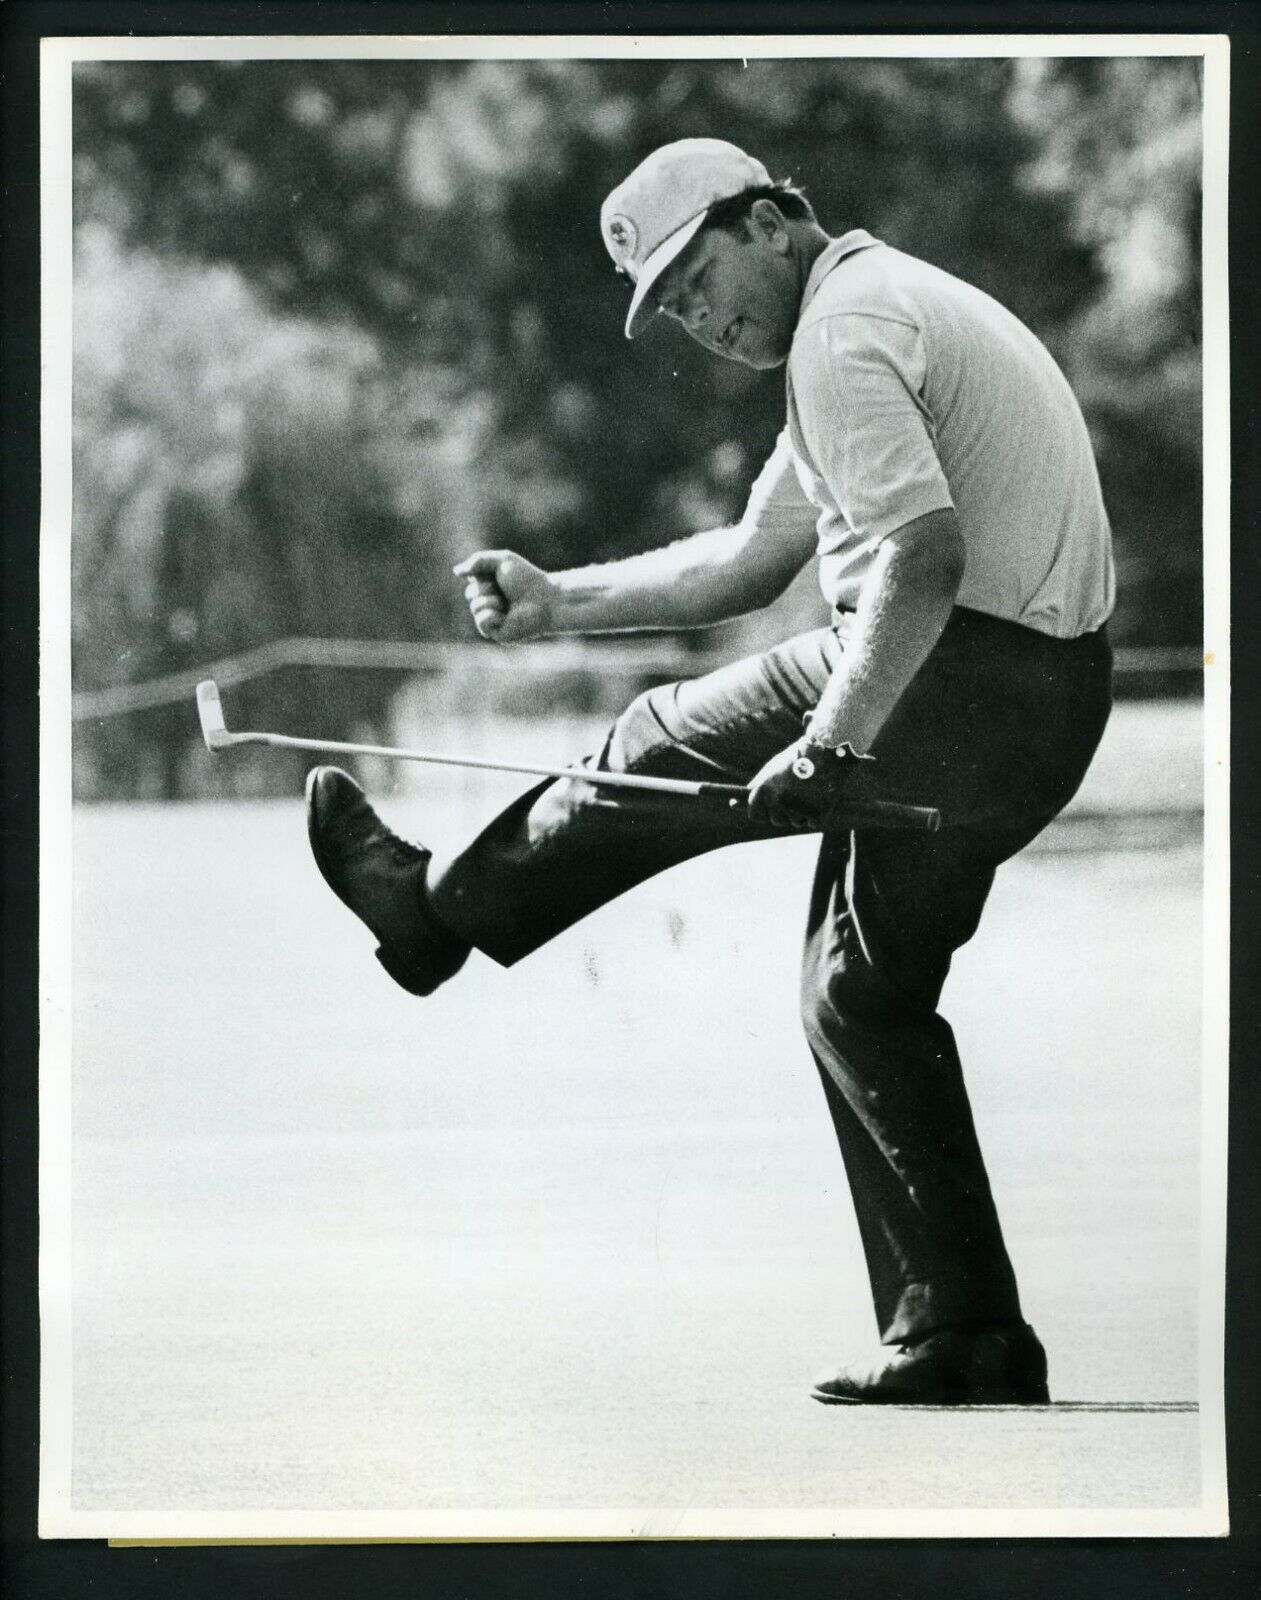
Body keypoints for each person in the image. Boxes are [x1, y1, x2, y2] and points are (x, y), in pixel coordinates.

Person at [305, 137, 1115, 1406]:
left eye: (699, 277)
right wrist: (556, 598)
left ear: (772, 217)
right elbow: (750, 557)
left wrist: (835, 737)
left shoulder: (841, 337)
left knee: (654, 741)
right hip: (1049, 702)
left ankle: (437, 912)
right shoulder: (870, 307)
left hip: (954, 677)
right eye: (673, 306)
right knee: (858, 997)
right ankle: (963, 1334)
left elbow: (920, 561)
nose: (699, 317)